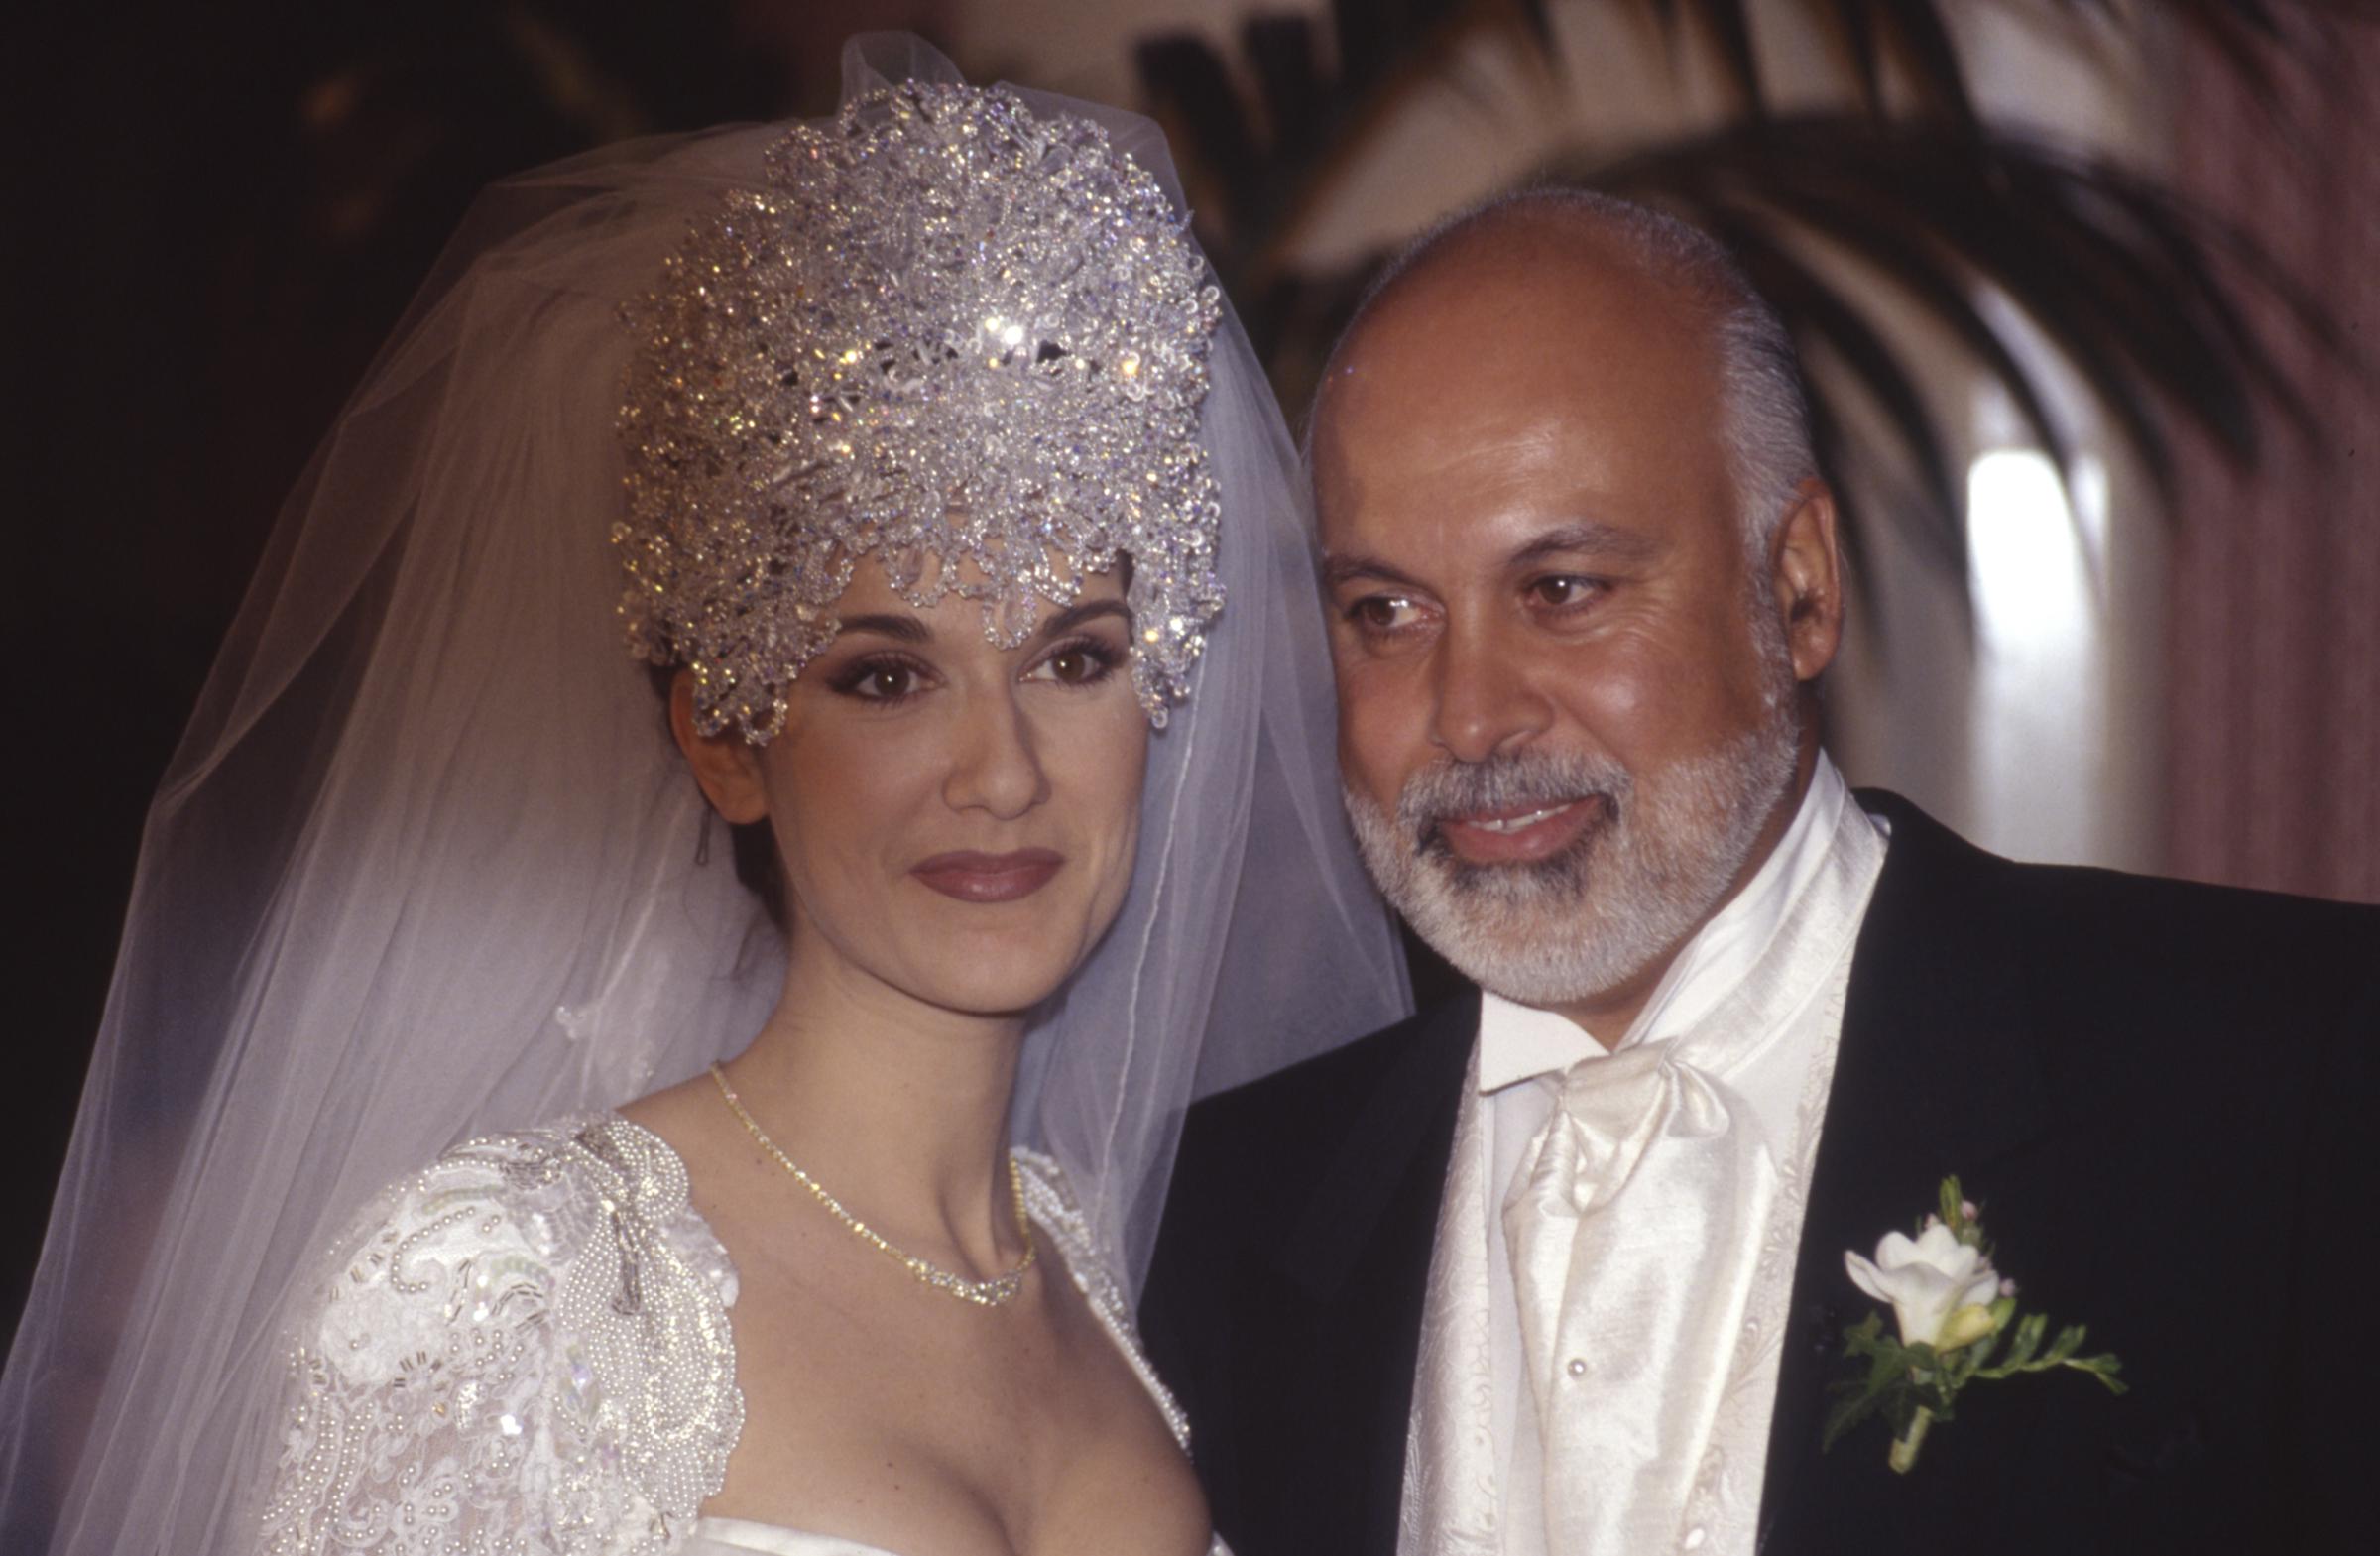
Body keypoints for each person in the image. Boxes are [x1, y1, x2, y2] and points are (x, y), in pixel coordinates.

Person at [0, 36, 1409, 1556]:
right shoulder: (514, 1285)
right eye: (887, 675)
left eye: (1073, 659)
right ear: (725, 738)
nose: (1002, 771)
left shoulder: (1104, 1279)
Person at [1140, 189, 2380, 1556]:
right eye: (1385, 611)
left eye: (1562, 589)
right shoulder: (1208, 1227)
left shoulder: (2282, 1085)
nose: (1469, 711)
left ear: (1796, 586)